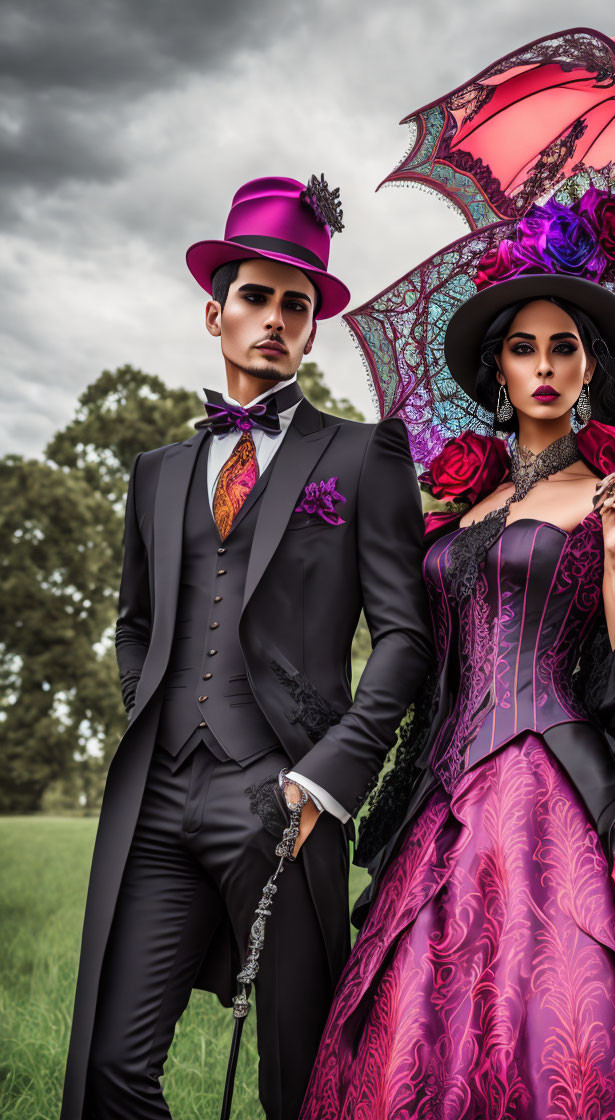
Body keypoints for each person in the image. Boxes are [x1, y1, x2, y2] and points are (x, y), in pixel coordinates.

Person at [299, 266, 615, 1117]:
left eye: (564, 348)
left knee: (570, 1007)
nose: (544, 365)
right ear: (497, 371)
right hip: (444, 788)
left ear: (589, 369)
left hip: (553, 779)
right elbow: (423, 663)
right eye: (522, 348)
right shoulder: (467, 505)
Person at [60, 175, 432, 1119]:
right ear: (214, 312)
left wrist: (326, 778)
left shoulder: (363, 456)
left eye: (295, 306)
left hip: (285, 798)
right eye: (256, 297)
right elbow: (134, 622)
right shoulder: (156, 474)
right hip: (158, 795)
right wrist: (151, 710)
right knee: (110, 1070)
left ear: (312, 330)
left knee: (297, 1086)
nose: (274, 318)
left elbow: (402, 638)